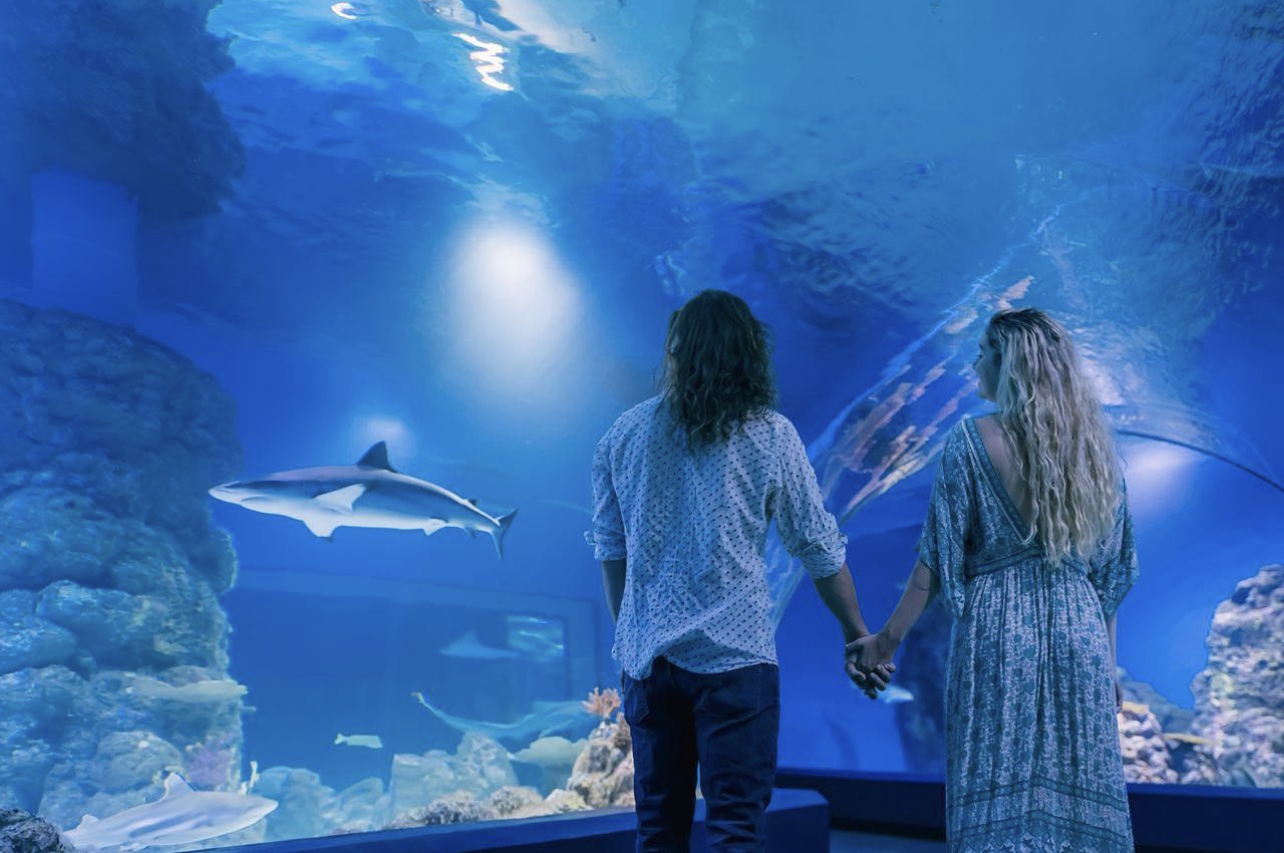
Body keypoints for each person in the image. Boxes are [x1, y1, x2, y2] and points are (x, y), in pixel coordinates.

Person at [591, 289, 889, 852]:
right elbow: (819, 547)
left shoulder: (622, 436)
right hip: (736, 661)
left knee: (657, 833)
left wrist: (632, 635)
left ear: (675, 352)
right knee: (735, 832)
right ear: (746, 355)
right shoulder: (771, 435)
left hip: (649, 667)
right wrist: (857, 632)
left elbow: (611, 551)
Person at [849, 307, 1138, 851]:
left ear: (1009, 364)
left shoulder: (971, 440)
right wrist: (1107, 661)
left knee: (997, 798)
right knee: (1079, 804)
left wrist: (885, 642)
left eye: (983, 351)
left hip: (998, 632)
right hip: (1079, 635)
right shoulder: (1097, 451)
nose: (974, 361)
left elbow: (932, 563)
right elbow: (1108, 576)